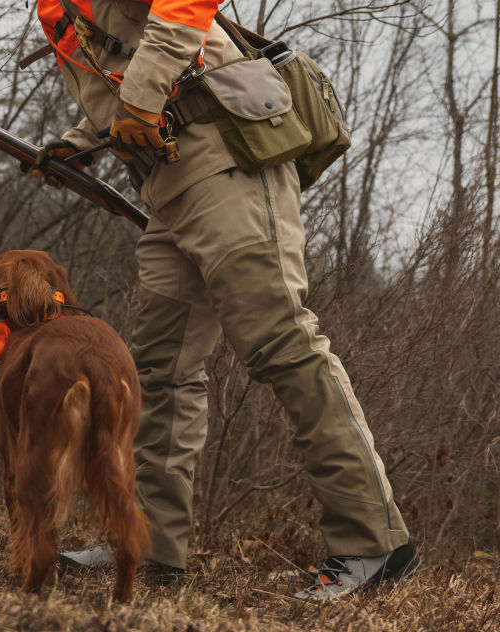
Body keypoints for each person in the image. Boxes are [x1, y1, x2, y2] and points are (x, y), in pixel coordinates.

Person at [30, 0, 420, 600]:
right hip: (167, 185)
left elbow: (183, 11)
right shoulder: (54, 10)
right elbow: (119, 87)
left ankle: (374, 543)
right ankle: (149, 544)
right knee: (158, 371)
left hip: (226, 158)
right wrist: (76, 141)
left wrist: (138, 101)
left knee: (283, 344)